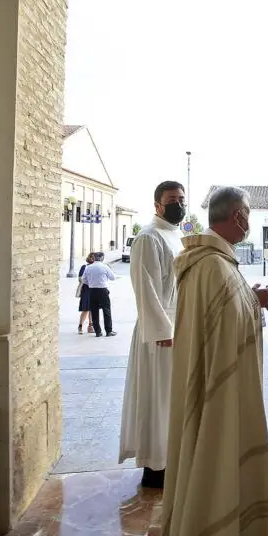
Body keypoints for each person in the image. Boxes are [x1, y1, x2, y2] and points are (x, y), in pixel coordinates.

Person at [162, 186, 268, 536]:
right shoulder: (213, 266)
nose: (248, 221)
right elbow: (229, 325)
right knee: (215, 445)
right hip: (219, 383)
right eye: (247, 214)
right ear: (238, 217)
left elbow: (226, 315)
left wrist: (252, 299)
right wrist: (254, 302)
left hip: (216, 374)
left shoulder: (213, 262)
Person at [119, 180, 186, 489]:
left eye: (181, 199)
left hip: (178, 328)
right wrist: (162, 329)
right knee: (157, 398)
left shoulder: (178, 236)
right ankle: (154, 468)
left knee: (173, 400)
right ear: (157, 205)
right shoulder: (148, 238)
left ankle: (172, 458)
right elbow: (145, 287)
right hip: (159, 333)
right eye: (172, 199)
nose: (178, 204)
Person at [82, 251, 118, 337]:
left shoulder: (88, 267)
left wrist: (91, 283)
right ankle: (108, 331)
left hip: (92, 290)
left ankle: (98, 332)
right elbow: (113, 277)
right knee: (106, 310)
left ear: (94, 258)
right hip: (102, 290)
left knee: (94, 311)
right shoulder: (105, 267)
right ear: (102, 258)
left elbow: (84, 280)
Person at [77, 252, 95, 334]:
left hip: (93, 289)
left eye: (94, 258)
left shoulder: (96, 267)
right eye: (91, 257)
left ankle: (90, 327)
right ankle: (80, 326)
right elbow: (80, 278)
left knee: (92, 309)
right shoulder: (84, 267)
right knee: (85, 309)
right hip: (86, 290)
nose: (92, 259)